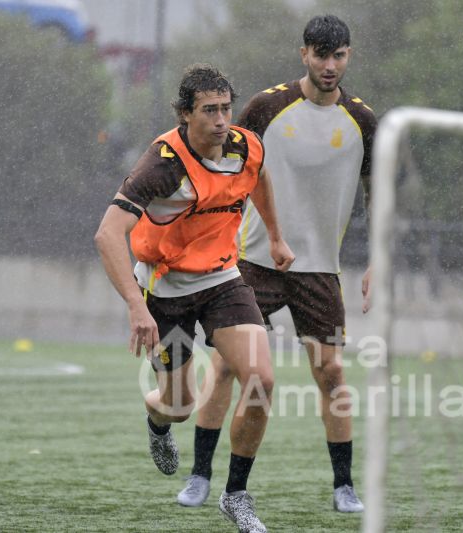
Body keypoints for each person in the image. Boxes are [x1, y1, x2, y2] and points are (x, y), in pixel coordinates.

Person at [177, 15, 377, 513]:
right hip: (254, 263)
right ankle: (201, 476)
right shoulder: (266, 107)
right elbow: (228, 172)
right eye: (320, 55)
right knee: (226, 366)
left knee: (330, 372)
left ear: (349, 57)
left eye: (339, 56)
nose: (329, 66)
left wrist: (377, 258)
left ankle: (343, 486)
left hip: (319, 269)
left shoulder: (363, 120)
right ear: (304, 54)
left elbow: (380, 192)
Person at [95, 64, 294, 533]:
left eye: (226, 108)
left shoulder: (246, 146)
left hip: (222, 280)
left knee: (262, 379)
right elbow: (108, 234)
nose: (222, 119)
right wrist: (135, 306)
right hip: (165, 291)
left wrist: (277, 237)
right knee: (178, 405)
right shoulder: (162, 164)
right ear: (186, 115)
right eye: (210, 111)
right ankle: (157, 420)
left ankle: (235, 495)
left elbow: (258, 177)